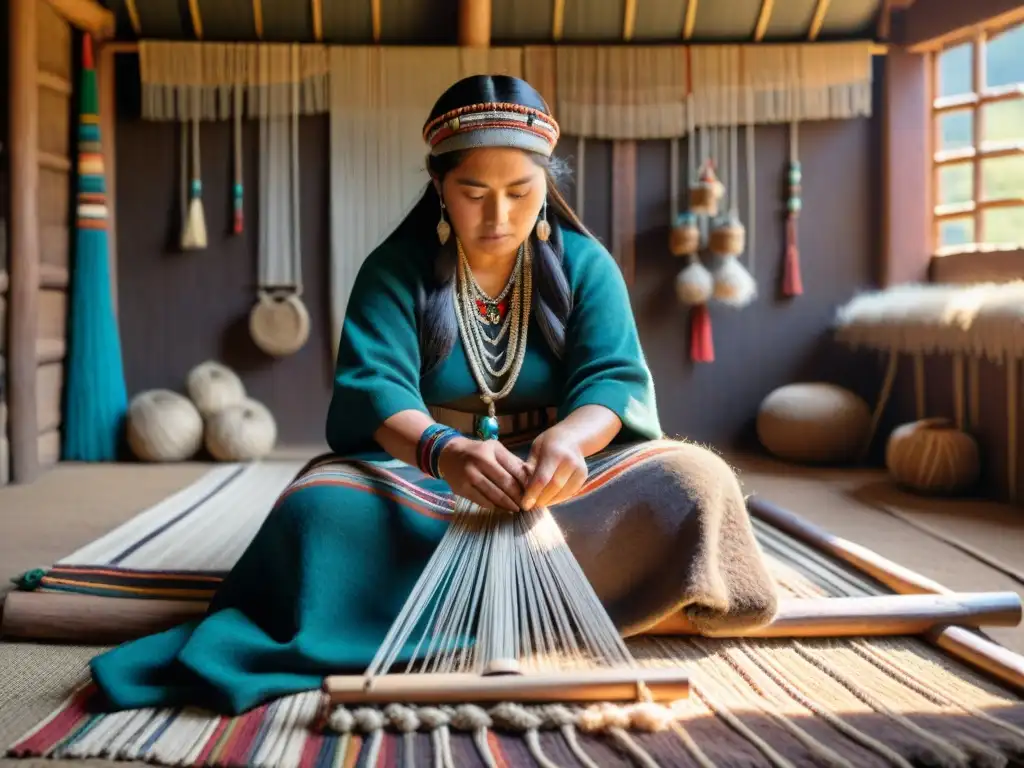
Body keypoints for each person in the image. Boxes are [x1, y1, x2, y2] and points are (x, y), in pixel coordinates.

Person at [89, 74, 778, 717]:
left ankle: (413, 598)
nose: (499, 213)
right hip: (426, 475)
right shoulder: (395, 268)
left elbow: (612, 380)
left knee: (697, 479)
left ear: (548, 182)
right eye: (475, 190)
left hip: (562, 481)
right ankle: (587, 590)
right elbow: (374, 386)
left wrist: (569, 441)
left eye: (520, 189)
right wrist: (444, 452)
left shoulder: (583, 263)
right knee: (315, 512)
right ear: (440, 186)